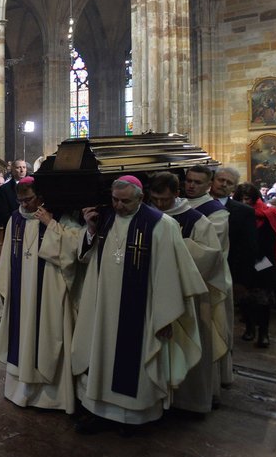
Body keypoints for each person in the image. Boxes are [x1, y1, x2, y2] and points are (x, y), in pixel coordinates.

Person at [71, 175, 205, 433]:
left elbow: (169, 274)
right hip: (104, 309)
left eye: (125, 201)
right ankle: (99, 412)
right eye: (115, 200)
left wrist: (165, 315)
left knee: (135, 361)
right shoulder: (106, 218)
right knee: (101, 355)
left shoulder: (161, 225)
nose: (119, 206)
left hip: (142, 311)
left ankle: (134, 418)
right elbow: (88, 256)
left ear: (141, 198)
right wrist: (89, 229)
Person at [0, 177, 80, 414]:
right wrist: (6, 287)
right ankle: (20, 391)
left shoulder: (58, 217)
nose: (25, 205)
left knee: (49, 336)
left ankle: (52, 398)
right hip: (21, 293)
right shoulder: (15, 219)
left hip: (49, 293)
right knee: (22, 338)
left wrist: (51, 224)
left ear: (40, 197)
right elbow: (8, 255)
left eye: (28, 199)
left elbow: (73, 250)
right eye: (20, 200)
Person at [146, 172, 228, 414]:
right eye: (155, 199)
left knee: (189, 345)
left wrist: (173, 247)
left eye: (165, 200)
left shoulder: (196, 220)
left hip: (189, 297)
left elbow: (211, 256)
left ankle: (190, 402)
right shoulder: (147, 216)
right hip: (154, 293)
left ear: (176, 194)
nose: (160, 205)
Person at [209, 166, 258, 386]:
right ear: (213, 180)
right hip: (201, 274)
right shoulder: (195, 205)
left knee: (222, 326)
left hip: (227, 275)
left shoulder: (243, 211)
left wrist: (242, 282)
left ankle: (222, 372)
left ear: (234, 187)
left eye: (229, 183)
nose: (224, 185)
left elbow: (248, 249)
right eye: (221, 180)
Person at [231, 183, 276, 348]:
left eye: (247, 198)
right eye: (241, 199)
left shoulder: (270, 213)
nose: (244, 202)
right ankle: (249, 328)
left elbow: (274, 241)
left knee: (262, 301)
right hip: (243, 264)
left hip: (264, 263)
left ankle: (263, 332)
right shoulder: (235, 214)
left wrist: (259, 265)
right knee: (245, 300)